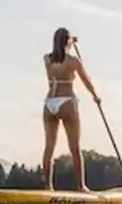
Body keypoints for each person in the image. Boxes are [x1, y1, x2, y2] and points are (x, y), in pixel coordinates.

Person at [42, 27, 100, 192]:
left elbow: (59, 52)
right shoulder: (73, 61)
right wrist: (95, 95)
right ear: (67, 41)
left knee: (49, 147)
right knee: (74, 147)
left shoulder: (47, 59)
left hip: (49, 103)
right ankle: (81, 187)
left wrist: (69, 42)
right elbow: (86, 80)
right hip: (67, 101)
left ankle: (48, 186)